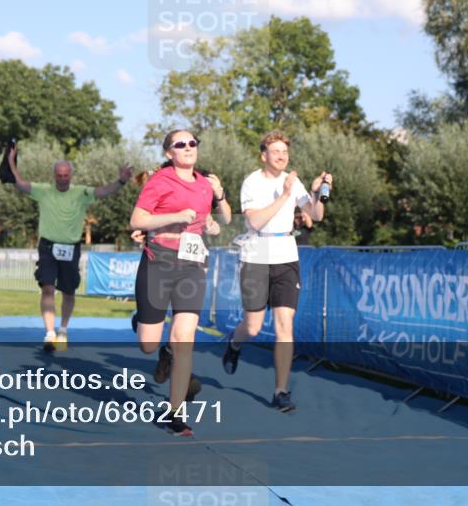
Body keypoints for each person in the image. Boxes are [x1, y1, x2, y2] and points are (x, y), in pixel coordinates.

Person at [129, 129, 231, 436]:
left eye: (192, 143)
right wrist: (173, 216)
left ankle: (175, 413)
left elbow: (223, 221)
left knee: (184, 338)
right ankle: (162, 349)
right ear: (169, 153)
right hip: (158, 260)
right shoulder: (159, 181)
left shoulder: (205, 183)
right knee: (148, 344)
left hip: (192, 265)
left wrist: (219, 198)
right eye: (181, 144)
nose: (188, 147)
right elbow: (137, 220)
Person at [222, 130, 331, 413]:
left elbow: (316, 215)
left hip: (286, 256)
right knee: (254, 327)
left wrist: (318, 192)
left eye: (285, 151)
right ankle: (234, 344)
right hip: (256, 254)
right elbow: (256, 221)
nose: (282, 156)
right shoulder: (252, 182)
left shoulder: (294, 182)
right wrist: (285, 195)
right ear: (264, 156)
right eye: (276, 151)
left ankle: (280, 391)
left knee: (285, 326)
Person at [6, 146, 133, 350]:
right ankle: (49, 334)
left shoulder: (81, 192)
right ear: (54, 176)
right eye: (59, 175)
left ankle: (63, 330)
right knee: (47, 287)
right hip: (48, 247)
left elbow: (103, 191)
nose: (63, 179)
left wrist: (121, 181)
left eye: (66, 175)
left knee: (68, 291)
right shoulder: (43, 191)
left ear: (70, 175)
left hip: (70, 248)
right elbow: (19, 183)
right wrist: (11, 161)